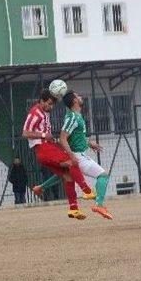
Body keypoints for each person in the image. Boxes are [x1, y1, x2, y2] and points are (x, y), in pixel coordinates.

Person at [32, 90, 113, 220]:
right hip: (77, 156)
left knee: (66, 174)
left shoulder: (75, 116)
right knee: (103, 175)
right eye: (78, 96)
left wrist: (88, 142)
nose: (80, 97)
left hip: (78, 154)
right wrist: (72, 156)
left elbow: (72, 137)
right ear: (75, 100)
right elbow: (63, 137)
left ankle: (40, 187)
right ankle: (99, 205)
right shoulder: (73, 117)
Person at [22, 88, 93, 220]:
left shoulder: (44, 111)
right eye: (48, 103)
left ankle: (73, 209)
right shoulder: (35, 113)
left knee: (67, 176)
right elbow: (25, 133)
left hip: (46, 148)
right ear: (41, 100)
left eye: (52, 104)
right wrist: (44, 135)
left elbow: (46, 133)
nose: (51, 106)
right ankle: (87, 190)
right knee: (73, 161)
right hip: (43, 148)